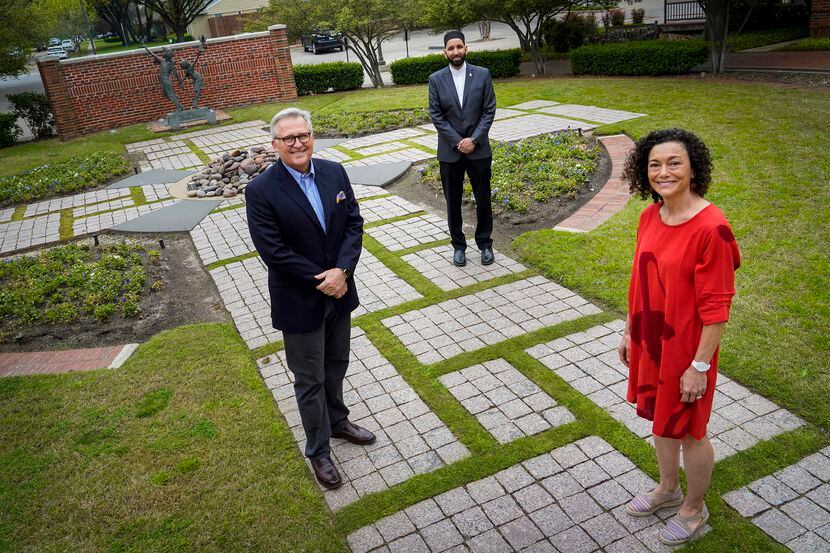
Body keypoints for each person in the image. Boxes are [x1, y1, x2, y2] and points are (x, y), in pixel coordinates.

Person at [618, 129, 740, 545]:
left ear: (693, 169)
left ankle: (694, 507)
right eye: (655, 164)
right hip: (652, 341)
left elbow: (717, 308)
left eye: (674, 163)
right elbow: (639, 280)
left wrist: (699, 367)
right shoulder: (649, 216)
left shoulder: (713, 228)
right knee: (660, 418)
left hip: (688, 351)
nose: (663, 171)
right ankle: (667, 489)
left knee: (690, 430)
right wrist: (629, 332)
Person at [245, 107, 375, 490]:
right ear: (275, 145)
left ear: (312, 137)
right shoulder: (261, 190)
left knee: (337, 363)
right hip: (300, 300)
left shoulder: (335, 172)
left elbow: (353, 224)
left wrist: (343, 271)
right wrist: (324, 279)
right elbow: (274, 251)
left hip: (340, 290)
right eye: (289, 138)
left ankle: (337, 422)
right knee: (308, 379)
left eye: (303, 135)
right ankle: (318, 450)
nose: (298, 143)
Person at [428, 30, 496, 267]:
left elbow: (489, 110)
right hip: (450, 152)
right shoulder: (436, 79)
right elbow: (436, 115)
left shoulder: (482, 75)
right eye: (450, 48)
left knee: (483, 199)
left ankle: (485, 244)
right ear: (444, 52)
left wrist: (474, 139)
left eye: (459, 47)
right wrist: (459, 142)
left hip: (479, 150)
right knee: (453, 202)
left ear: (466, 48)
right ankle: (458, 246)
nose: (455, 52)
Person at [142, 44, 183, 112]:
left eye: (165, 53)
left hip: (166, 81)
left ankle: (179, 108)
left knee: (170, 95)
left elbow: (176, 74)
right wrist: (146, 48)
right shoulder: (163, 61)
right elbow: (154, 55)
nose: (164, 54)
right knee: (165, 95)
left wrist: (180, 83)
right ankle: (178, 102)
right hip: (164, 82)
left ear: (168, 55)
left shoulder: (169, 63)